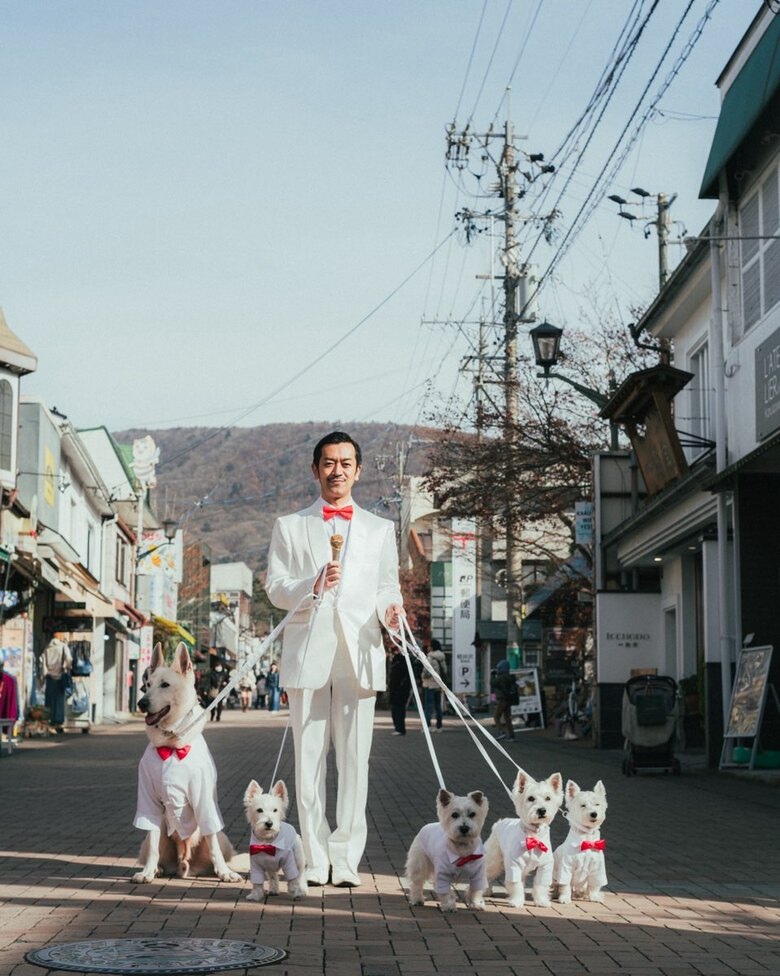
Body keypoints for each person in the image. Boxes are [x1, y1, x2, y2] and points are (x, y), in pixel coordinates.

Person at [265, 430, 403, 888]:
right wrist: (312, 583)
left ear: (358, 471)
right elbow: (275, 588)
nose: (337, 470)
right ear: (315, 469)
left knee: (354, 761)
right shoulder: (289, 525)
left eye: (346, 462)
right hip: (308, 652)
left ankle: (345, 858)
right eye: (329, 462)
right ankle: (313, 856)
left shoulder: (381, 529)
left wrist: (392, 611)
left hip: (360, 651)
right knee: (308, 761)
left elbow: (387, 587)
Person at [422, 639, 448, 732]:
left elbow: (426, 672)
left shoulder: (430, 657)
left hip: (429, 684)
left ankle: (428, 726)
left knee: (428, 706)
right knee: (438, 706)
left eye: (429, 645)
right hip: (438, 685)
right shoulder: (442, 657)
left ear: (432, 647)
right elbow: (444, 671)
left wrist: (422, 677)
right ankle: (439, 726)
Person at [491, 659, 517, 741]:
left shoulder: (501, 678)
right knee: (507, 718)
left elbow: (492, 683)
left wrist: (492, 675)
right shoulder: (511, 677)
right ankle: (511, 736)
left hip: (503, 699)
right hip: (509, 699)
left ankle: (501, 732)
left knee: (496, 717)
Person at [387, 647, 411, 736]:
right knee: (395, 710)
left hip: (400, 689)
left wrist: (401, 686)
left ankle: (400, 728)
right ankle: (398, 728)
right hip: (395, 689)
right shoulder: (396, 659)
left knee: (399, 710)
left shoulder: (405, 660)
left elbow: (404, 675)